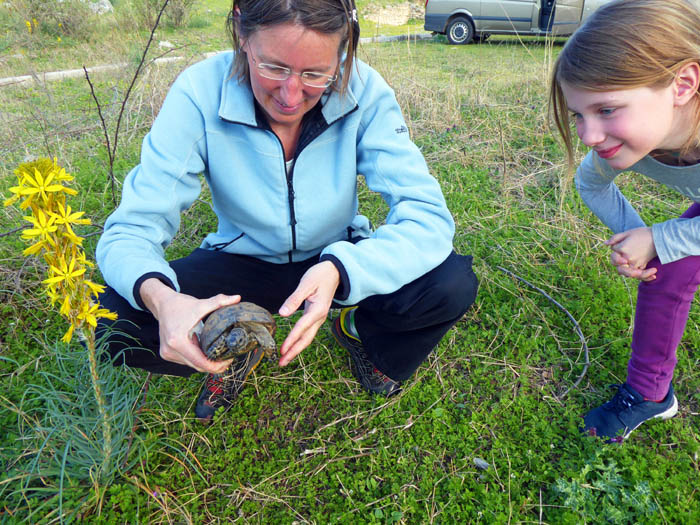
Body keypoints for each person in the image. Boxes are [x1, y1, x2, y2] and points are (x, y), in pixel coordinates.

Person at [95, 0, 478, 424]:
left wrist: (341, 270)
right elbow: (130, 230)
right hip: (242, 265)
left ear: (343, 53)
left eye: (315, 74)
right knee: (114, 323)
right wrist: (162, 299)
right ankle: (237, 344)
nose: (291, 96)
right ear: (241, 33)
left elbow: (428, 217)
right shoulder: (199, 92)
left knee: (451, 283)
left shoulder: (364, 90)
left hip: (335, 260)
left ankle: (360, 332)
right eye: (273, 67)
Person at [549, 0, 700, 441]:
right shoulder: (623, 142)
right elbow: (590, 185)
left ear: (683, 84)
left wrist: (661, 236)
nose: (590, 136)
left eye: (607, 110)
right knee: (666, 270)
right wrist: (644, 240)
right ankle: (651, 394)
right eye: (579, 114)